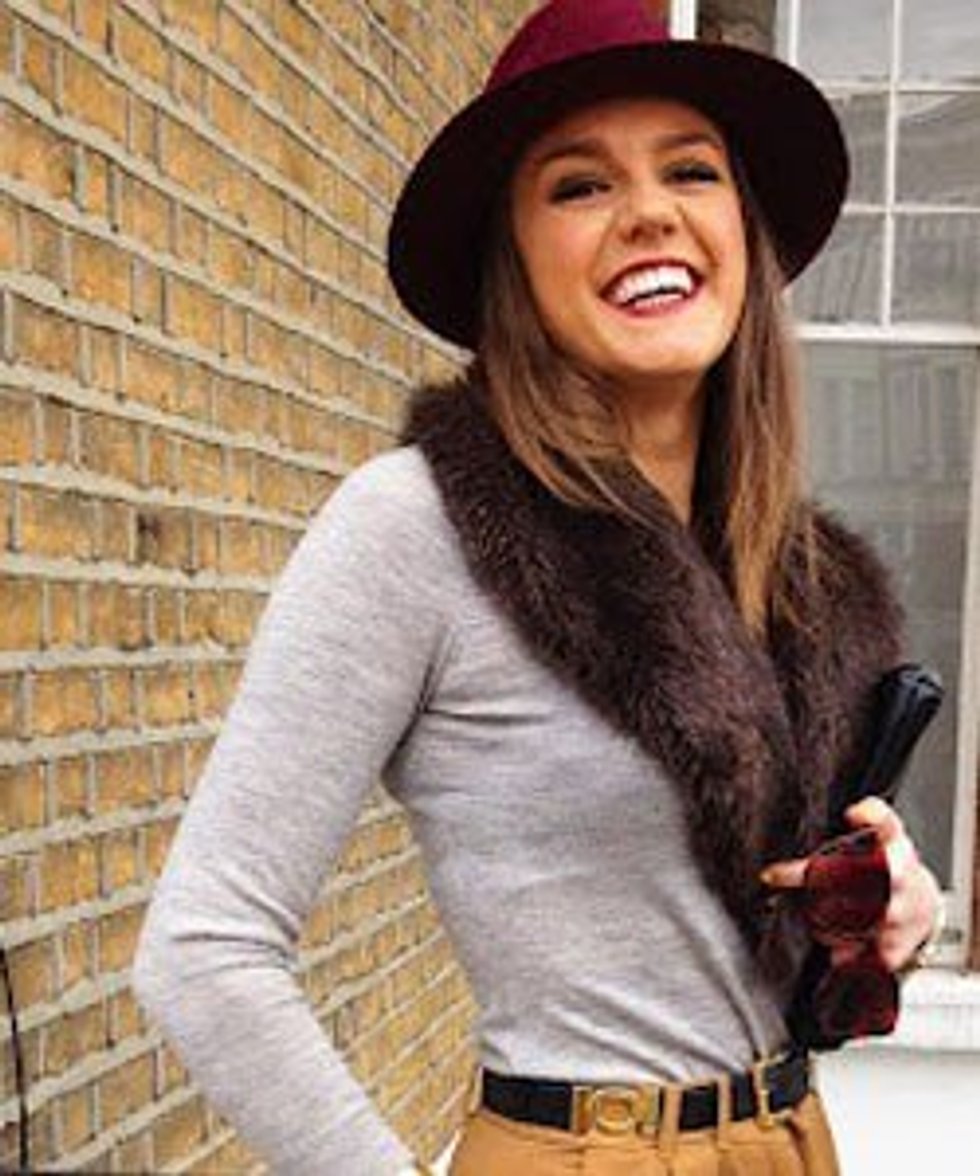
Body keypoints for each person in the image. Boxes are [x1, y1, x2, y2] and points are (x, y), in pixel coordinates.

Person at [132, 2, 945, 1173]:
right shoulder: (415, 527)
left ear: (742, 227)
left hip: (790, 1140)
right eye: (578, 186)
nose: (649, 212)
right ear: (511, 257)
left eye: (691, 170)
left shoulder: (789, 574)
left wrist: (890, 910)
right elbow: (203, 949)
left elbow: (743, 933)